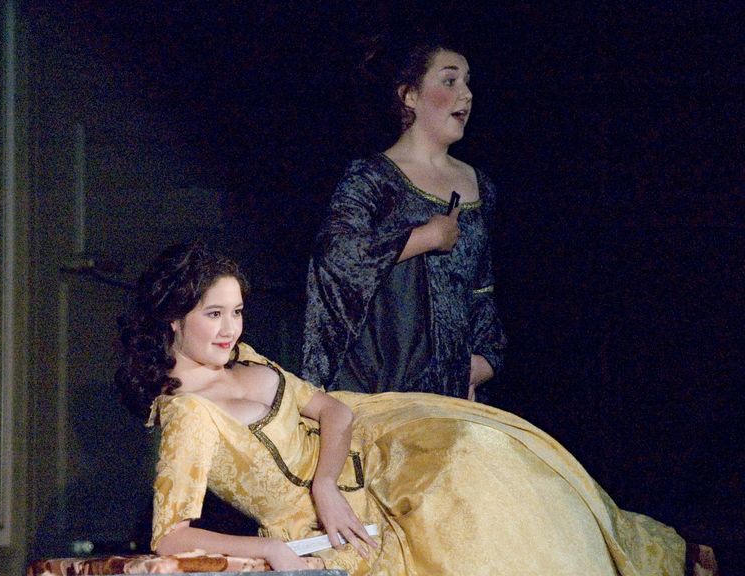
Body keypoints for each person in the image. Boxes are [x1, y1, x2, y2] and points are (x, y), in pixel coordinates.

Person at [115, 240, 716, 575]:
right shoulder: (187, 413)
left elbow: (333, 410)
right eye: (213, 314)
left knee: (480, 452)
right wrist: (273, 548)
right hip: (329, 527)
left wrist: (325, 481)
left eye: (237, 312)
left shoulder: (245, 358)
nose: (230, 329)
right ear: (174, 319)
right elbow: (170, 535)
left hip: (372, 455)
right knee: (467, 522)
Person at [303, 35, 505, 402]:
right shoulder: (373, 178)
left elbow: (482, 289)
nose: (466, 94)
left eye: (467, 82)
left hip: (456, 392)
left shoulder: (482, 186)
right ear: (410, 96)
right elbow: (336, 257)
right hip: (390, 387)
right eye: (450, 80)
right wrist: (428, 237)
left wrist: (483, 362)